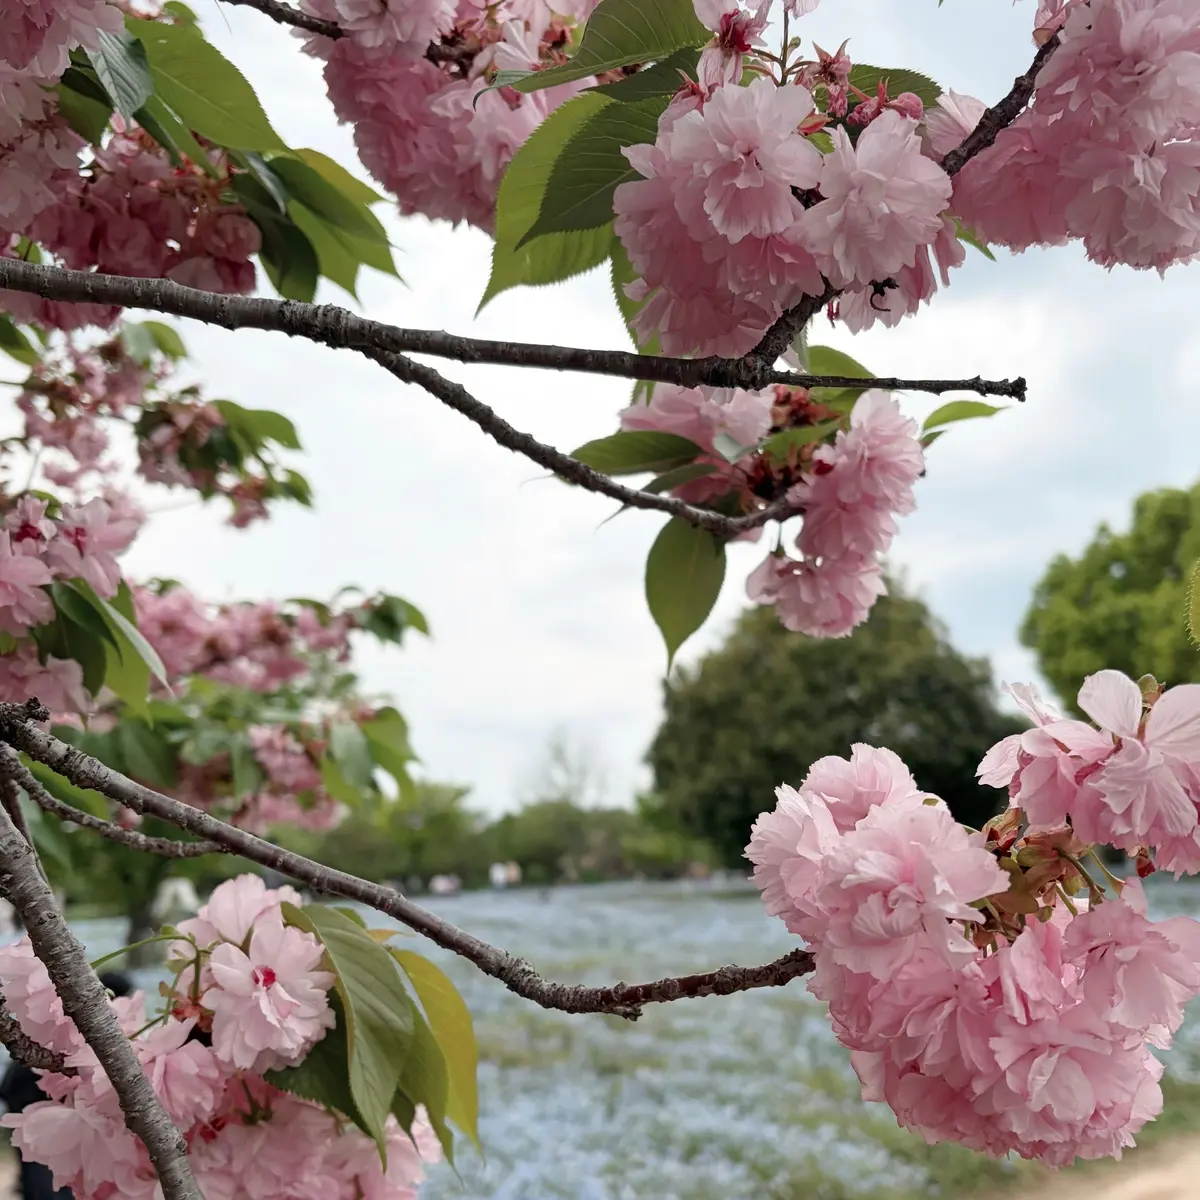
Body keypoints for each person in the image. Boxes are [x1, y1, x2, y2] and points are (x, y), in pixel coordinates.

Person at [0, 971, 134, 1200]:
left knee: (36, 1161)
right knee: (43, 1165)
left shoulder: (71, 1017)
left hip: (28, 1096)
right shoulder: (93, 1028)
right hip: (38, 1100)